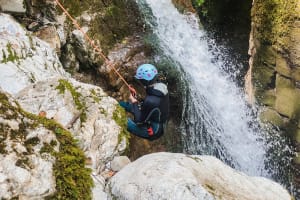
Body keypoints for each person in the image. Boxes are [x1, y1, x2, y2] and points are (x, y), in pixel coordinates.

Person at [120, 64, 169, 140]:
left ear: (144, 81)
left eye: (140, 80)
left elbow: (139, 121)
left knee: (123, 121)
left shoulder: (151, 100)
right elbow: (151, 104)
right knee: (122, 105)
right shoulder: (161, 86)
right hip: (155, 117)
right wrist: (136, 97)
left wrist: (134, 102)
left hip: (153, 130)